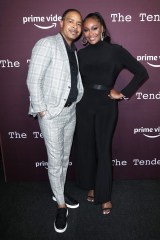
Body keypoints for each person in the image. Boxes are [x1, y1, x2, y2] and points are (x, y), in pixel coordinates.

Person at [74, 12, 149, 215]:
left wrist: (123, 93)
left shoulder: (115, 51)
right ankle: (91, 185)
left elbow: (142, 72)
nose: (90, 33)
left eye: (94, 28)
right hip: (84, 104)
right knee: (87, 148)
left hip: (107, 105)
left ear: (102, 28)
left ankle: (105, 195)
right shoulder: (79, 54)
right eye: (86, 29)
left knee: (103, 149)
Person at [26, 9, 83, 233]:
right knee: (55, 158)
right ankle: (60, 205)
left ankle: (57, 190)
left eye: (79, 24)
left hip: (70, 112)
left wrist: (76, 99)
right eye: (71, 21)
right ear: (61, 23)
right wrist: (42, 111)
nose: (76, 27)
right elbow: (33, 80)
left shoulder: (73, 49)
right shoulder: (46, 43)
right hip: (51, 115)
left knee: (65, 157)